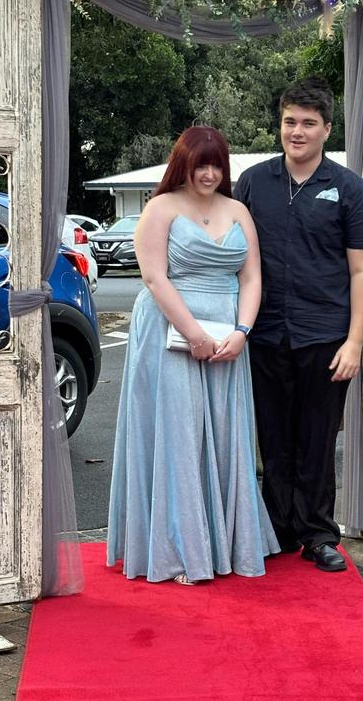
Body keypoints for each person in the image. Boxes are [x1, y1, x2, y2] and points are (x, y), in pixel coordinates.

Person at [107, 126, 279, 585]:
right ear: (182, 164)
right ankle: (181, 550)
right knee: (179, 435)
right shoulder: (160, 208)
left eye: (216, 164)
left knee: (226, 434)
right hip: (169, 332)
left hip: (229, 338)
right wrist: (194, 334)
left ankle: (226, 541)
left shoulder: (238, 209)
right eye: (199, 164)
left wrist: (242, 331)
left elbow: (251, 278)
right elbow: (154, 279)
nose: (208, 173)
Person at [234, 77, 363, 572]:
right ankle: (277, 529)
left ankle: (319, 534)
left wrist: (355, 341)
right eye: (289, 122)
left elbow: (362, 271)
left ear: (326, 129)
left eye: (308, 124)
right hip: (265, 332)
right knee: (272, 437)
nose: (297, 132)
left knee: (317, 438)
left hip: (325, 336)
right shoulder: (253, 183)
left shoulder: (348, 189)